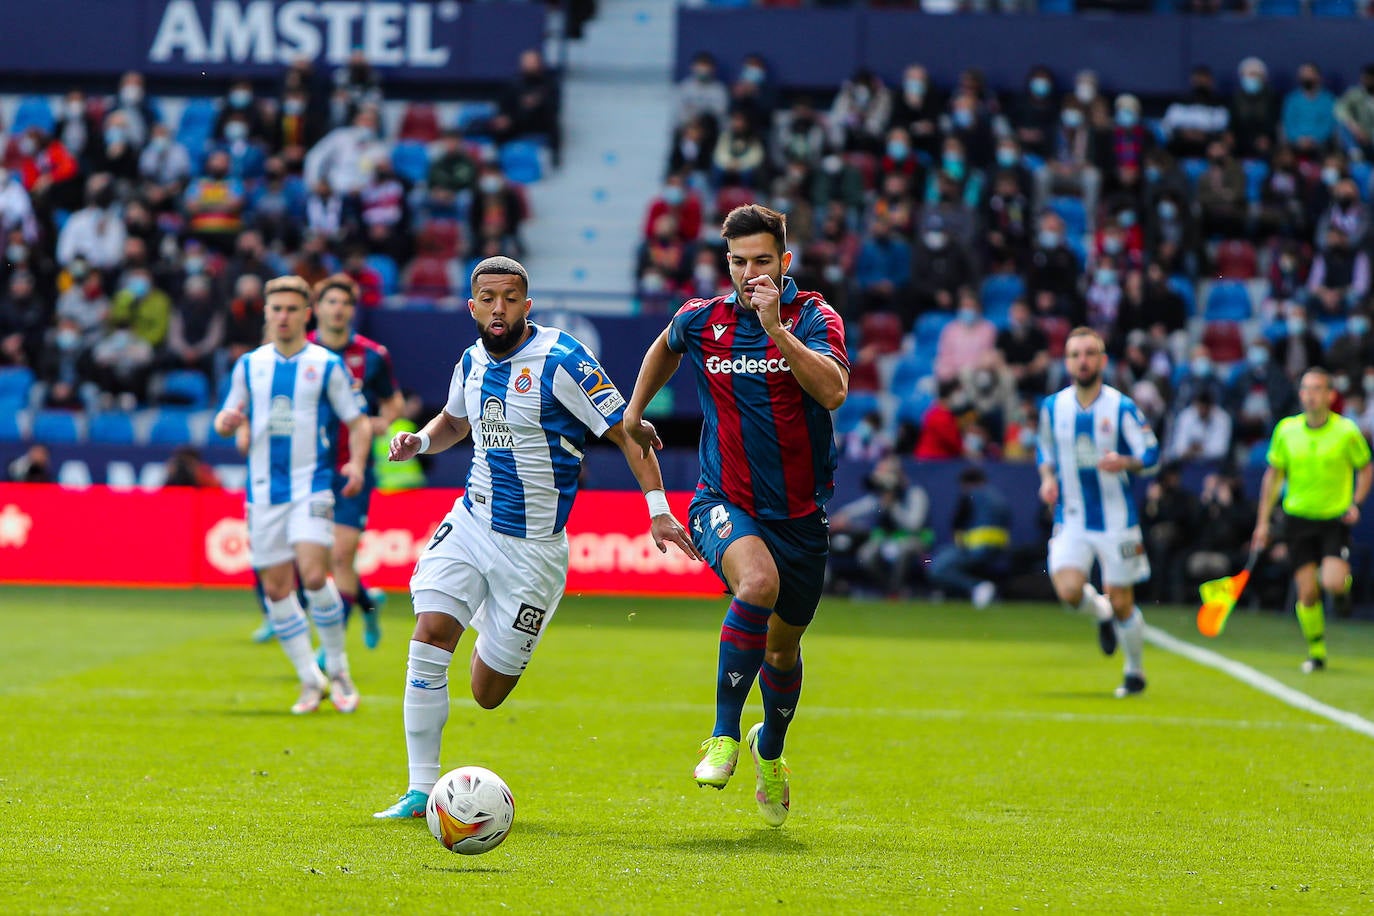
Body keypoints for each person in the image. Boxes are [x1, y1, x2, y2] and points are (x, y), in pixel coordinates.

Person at [373, 257, 701, 819]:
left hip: (534, 552)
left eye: (509, 298)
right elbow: (454, 422)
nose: (498, 308)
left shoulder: (562, 359)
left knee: (487, 693)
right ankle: (420, 789)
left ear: (528, 305)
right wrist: (420, 444)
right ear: (471, 305)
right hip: (472, 522)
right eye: (487, 297)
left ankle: (489, 625)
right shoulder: (470, 361)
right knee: (429, 636)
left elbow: (627, 432)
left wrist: (657, 509)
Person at [622, 204, 849, 828]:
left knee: (782, 652)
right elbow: (663, 349)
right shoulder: (703, 318)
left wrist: (778, 329)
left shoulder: (813, 316)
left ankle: (769, 752)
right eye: (739, 263)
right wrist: (636, 410)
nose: (751, 275)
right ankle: (723, 734)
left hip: (801, 516)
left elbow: (832, 391)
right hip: (723, 500)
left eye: (763, 262)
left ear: (786, 261)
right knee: (757, 583)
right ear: (727, 264)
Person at [213, 275, 372, 715]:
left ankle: (338, 667)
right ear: (267, 314)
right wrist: (227, 422)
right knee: (276, 589)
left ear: (307, 314)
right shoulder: (249, 365)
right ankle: (310, 679)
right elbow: (229, 413)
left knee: (314, 573)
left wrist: (356, 464)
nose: (282, 316)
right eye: (275, 309)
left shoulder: (325, 365)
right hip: (263, 492)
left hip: (311, 486)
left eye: (290, 309)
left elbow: (357, 422)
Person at [1037, 327, 1160, 698]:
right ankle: (1102, 615)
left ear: (1103, 360)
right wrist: (1046, 479)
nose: (1083, 360)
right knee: (1069, 590)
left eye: (1090, 353)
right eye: (1075, 354)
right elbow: (1044, 452)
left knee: (1123, 600)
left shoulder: (1121, 407)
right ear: (1067, 361)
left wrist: (1125, 461)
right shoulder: (1052, 407)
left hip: (1116, 519)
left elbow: (1151, 455)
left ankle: (1134, 672)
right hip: (1071, 515)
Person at [1251, 367, 1372, 673]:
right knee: (1307, 592)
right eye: (1306, 388)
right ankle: (1316, 651)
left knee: (1331, 582)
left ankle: (1341, 591)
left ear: (1331, 395)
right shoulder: (1286, 431)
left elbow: (1366, 467)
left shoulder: (1346, 431)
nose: (1311, 394)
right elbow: (1274, 476)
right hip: (1297, 520)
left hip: (1333, 519)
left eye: (1318, 388)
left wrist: (1355, 502)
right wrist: (1262, 523)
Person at [306, 274, 402, 650]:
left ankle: (329, 652)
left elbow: (392, 402)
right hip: (307, 469)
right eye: (331, 301)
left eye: (345, 302)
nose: (338, 308)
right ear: (317, 309)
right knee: (316, 560)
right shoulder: (300, 352)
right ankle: (366, 602)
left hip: (353, 467)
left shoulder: (373, 355)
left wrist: (384, 421)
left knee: (342, 556)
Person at [927, 465, 1012, 609]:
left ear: (966, 484)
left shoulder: (970, 495)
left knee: (936, 567)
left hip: (975, 548)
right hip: (999, 550)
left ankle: (977, 587)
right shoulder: (999, 498)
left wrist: (960, 540)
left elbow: (957, 523)